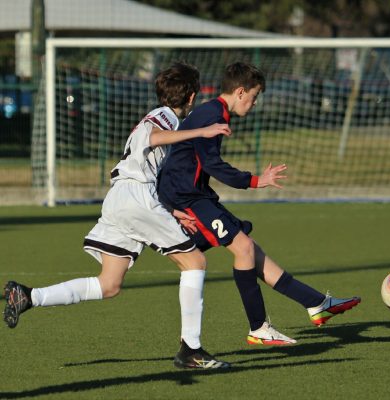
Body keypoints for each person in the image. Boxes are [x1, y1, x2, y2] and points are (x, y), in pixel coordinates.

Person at [3, 62, 233, 369]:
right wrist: (202, 131)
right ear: (191, 97)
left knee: (109, 284)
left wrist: (173, 210)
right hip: (135, 195)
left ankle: (29, 296)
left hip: (120, 198)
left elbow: (146, 161)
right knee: (195, 262)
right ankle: (191, 349)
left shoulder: (157, 117)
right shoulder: (165, 116)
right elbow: (153, 137)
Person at [157, 62, 361, 345]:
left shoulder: (214, 112)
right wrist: (255, 180)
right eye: (254, 96)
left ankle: (316, 303)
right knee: (244, 248)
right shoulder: (212, 115)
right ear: (240, 92)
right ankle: (258, 327)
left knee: (252, 251)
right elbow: (212, 164)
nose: (254, 103)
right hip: (185, 197)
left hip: (194, 195)